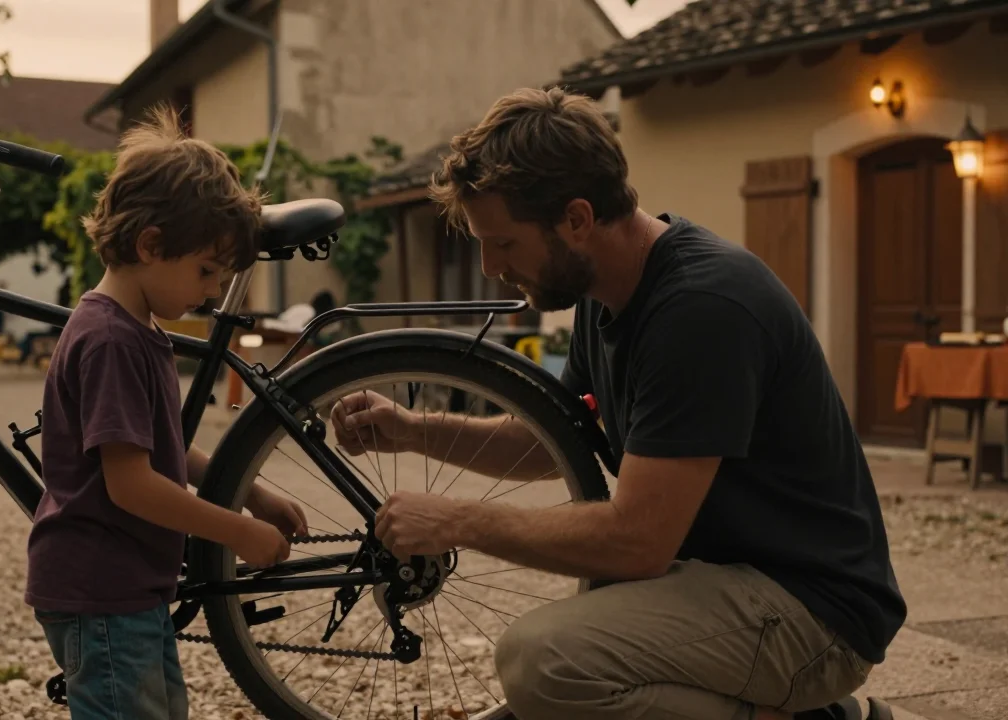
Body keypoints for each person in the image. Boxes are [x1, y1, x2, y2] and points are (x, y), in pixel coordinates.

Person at [330, 87, 905, 720]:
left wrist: (459, 521)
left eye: (505, 243)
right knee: (561, 668)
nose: (491, 267)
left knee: (544, 662)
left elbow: (637, 542)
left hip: (814, 614)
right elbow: (547, 442)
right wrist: (413, 429)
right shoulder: (603, 293)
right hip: (728, 582)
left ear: (577, 219)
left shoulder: (700, 310)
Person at [24, 105, 309, 720]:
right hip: (102, 590)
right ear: (151, 245)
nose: (212, 290)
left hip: (126, 586)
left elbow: (161, 446)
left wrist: (252, 494)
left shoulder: (134, 327)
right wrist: (236, 531)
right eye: (206, 270)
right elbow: (130, 484)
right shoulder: (110, 340)